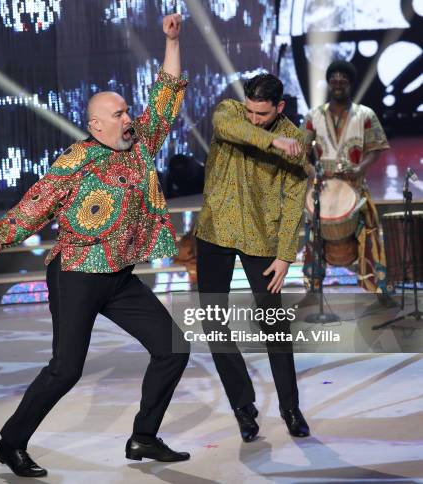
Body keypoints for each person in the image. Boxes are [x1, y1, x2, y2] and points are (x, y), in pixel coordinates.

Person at [0, 14, 190, 478]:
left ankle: (143, 436)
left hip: (118, 276)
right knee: (66, 370)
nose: (129, 118)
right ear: (97, 125)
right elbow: (31, 209)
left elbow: (167, 93)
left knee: (172, 350)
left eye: (127, 111)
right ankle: (11, 444)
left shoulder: (141, 145)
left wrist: (171, 41)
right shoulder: (75, 162)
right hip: (76, 273)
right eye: (119, 114)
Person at [194, 73, 310, 442]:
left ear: (280, 107)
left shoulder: (296, 139)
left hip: (262, 238)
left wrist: (285, 255)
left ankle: (290, 408)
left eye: (262, 114)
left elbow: (294, 198)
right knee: (213, 321)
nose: (253, 119)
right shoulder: (230, 113)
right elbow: (234, 128)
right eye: (250, 110)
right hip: (214, 232)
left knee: (274, 323)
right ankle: (243, 407)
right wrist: (269, 138)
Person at [301, 60, 392, 299]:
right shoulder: (314, 116)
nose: (338, 81)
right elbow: (298, 151)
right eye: (334, 77)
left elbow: (377, 147)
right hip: (323, 188)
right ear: (329, 82)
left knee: (370, 229)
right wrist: (311, 171)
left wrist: (360, 168)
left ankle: (377, 289)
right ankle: (313, 290)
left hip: (355, 186)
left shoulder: (365, 115)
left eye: (343, 78)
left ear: (350, 83)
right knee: (313, 235)